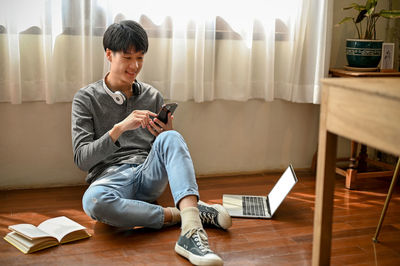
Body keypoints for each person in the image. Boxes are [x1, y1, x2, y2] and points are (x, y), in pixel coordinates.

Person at [71, 20, 231, 266]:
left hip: (148, 173)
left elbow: (165, 150)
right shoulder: (85, 98)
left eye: (140, 58)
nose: (134, 66)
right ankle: (187, 214)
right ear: (108, 55)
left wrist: (165, 134)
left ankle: (191, 234)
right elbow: (82, 159)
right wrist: (120, 128)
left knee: (172, 137)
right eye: (127, 58)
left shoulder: (152, 95)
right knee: (93, 202)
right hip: (109, 179)